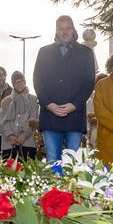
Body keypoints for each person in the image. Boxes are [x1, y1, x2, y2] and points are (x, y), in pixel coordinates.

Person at [33, 15, 96, 164]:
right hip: (50, 115)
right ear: (56, 31)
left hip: (74, 116)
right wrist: (48, 104)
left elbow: (89, 83)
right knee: (52, 162)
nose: (64, 32)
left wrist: (74, 105)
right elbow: (37, 80)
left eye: (68, 28)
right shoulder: (44, 52)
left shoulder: (86, 52)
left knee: (72, 164)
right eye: (61, 29)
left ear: (73, 30)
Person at [0, 71, 39, 161]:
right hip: (9, 143)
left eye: (22, 81)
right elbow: (2, 122)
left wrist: (24, 135)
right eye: (17, 82)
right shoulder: (5, 101)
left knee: (27, 172)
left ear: (25, 82)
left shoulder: (33, 99)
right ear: (13, 84)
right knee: (8, 172)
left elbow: (33, 119)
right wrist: (10, 135)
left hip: (28, 143)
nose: (20, 84)